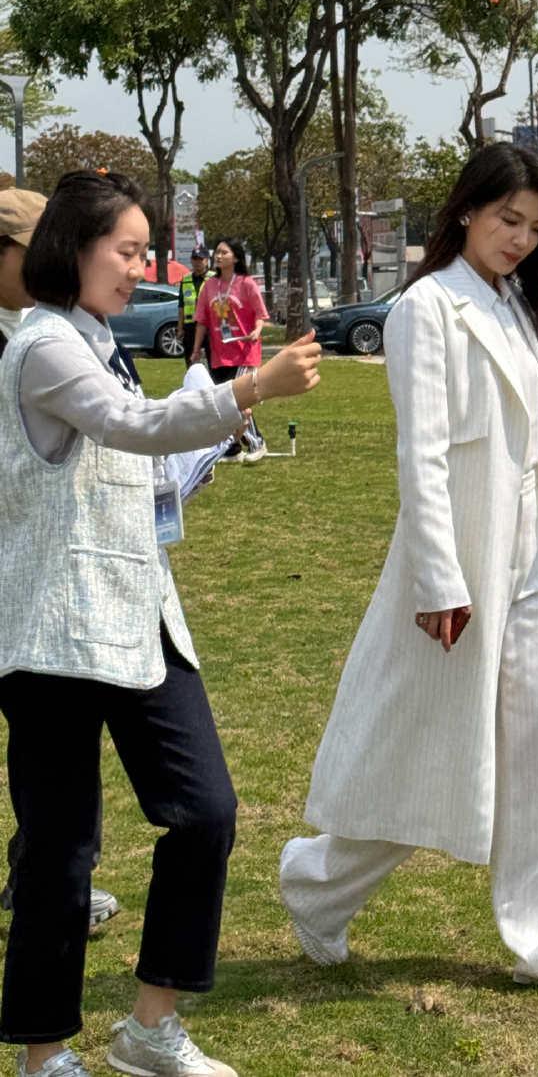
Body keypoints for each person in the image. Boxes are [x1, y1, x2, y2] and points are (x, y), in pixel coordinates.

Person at [280, 143, 538, 999]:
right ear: (468, 210)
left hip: (532, 557)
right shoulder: (426, 308)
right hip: (461, 562)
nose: (520, 239)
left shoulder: (514, 302)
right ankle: (318, 884)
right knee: (427, 751)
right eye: (508, 219)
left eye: (536, 228)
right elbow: (422, 456)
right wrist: (441, 578)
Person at [0, 169, 321, 1077]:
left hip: (140, 618)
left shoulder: (99, 338)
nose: (143, 269)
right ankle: (44, 1055)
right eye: (128, 251)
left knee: (207, 813)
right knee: (61, 854)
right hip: (56, 631)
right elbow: (127, 424)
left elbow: (133, 457)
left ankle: (150, 1029)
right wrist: (246, 391)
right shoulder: (45, 343)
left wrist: (191, 464)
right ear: (73, 247)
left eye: (147, 251)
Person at [0, 186, 122, 939]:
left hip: (35, 565)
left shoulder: (53, 333)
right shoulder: (32, 344)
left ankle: (46, 875)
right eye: (35, 247)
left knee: (49, 733)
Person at [191, 238, 269, 464]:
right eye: (217, 252)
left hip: (245, 351)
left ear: (235, 257)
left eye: (223, 253)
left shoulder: (246, 284)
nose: (218, 256)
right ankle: (232, 448)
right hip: (219, 354)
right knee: (224, 402)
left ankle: (256, 442)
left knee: (239, 401)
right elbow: (202, 321)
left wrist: (256, 330)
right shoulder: (210, 286)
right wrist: (196, 350)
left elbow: (260, 315)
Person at [178, 246, 211, 365]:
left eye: (200, 259)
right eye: (194, 259)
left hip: (209, 326)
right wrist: (180, 327)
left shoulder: (214, 278)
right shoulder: (186, 279)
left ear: (207, 260)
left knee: (212, 360)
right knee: (190, 360)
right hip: (190, 326)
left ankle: (214, 382)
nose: (197, 262)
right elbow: (181, 305)